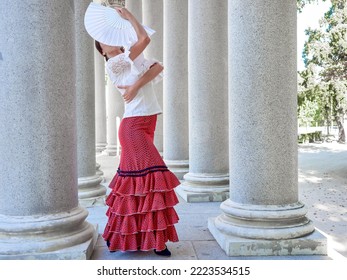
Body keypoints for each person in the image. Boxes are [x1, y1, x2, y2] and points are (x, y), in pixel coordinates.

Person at [94, 7, 180, 257]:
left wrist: (137, 83)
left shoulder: (132, 59)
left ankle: (141, 237)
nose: (105, 40)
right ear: (102, 51)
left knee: (140, 183)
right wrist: (130, 16)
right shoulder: (116, 63)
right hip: (133, 127)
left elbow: (157, 68)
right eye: (101, 42)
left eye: (107, 37)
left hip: (148, 121)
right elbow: (145, 40)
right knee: (153, 179)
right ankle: (154, 241)